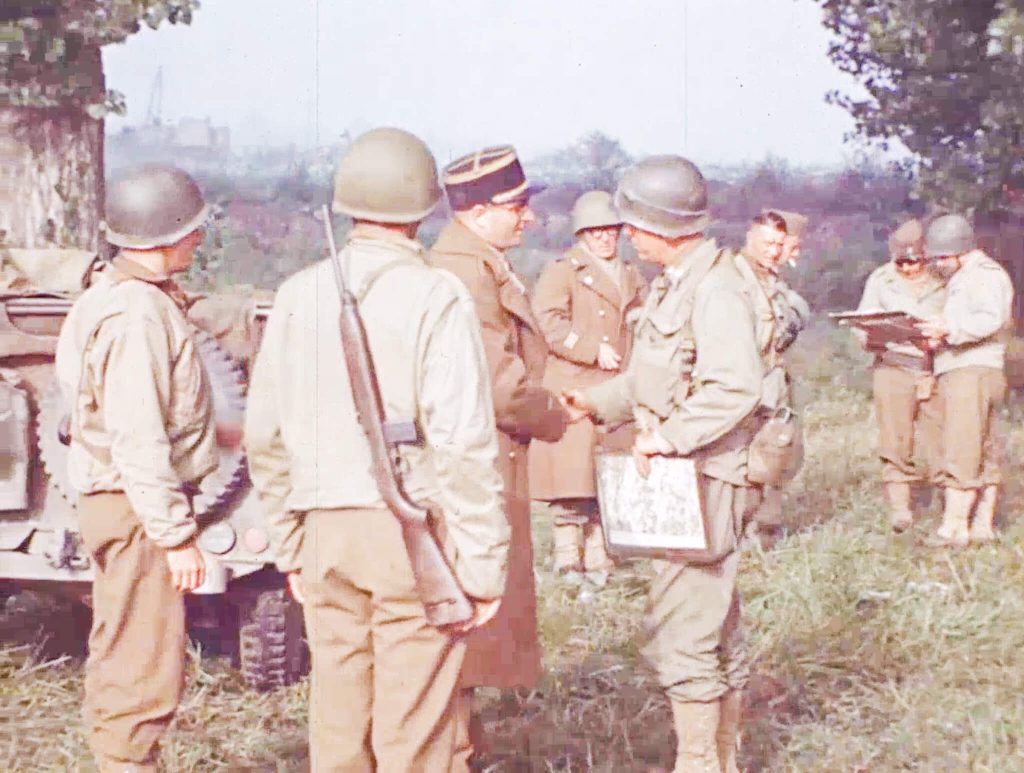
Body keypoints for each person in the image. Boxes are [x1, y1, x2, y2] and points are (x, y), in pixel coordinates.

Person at [244, 127, 510, 770]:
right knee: (416, 731)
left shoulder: (296, 294)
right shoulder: (437, 293)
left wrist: (290, 545)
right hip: (407, 534)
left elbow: (265, 437)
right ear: (424, 208)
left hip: (323, 535)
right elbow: (463, 443)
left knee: (337, 724)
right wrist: (480, 566)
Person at [564, 155, 763, 772]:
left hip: (703, 481)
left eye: (631, 223)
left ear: (657, 226)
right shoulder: (679, 282)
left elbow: (735, 388)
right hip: (687, 478)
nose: (625, 235)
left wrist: (668, 438)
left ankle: (700, 763)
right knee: (710, 626)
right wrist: (593, 402)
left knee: (685, 632)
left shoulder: (716, 288)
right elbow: (652, 377)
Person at [55, 165, 217, 772]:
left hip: (121, 502)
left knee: (122, 651)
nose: (198, 241)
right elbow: (138, 437)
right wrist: (176, 534)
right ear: (165, 235)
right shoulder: (137, 317)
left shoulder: (112, 298)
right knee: (142, 668)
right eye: (192, 230)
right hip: (137, 506)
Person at [428, 144, 567, 762]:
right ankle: (452, 750)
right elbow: (499, 384)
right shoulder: (463, 271)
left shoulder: (479, 263)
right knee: (468, 617)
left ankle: (462, 743)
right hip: (477, 468)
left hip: (490, 461)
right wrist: (559, 415)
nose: (528, 218)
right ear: (479, 210)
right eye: (517, 206)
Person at [529, 190, 646, 587]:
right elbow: (548, 320)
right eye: (595, 232)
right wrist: (592, 350)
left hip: (616, 388)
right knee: (571, 481)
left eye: (610, 231)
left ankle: (600, 557)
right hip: (574, 385)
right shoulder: (564, 271)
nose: (604, 239)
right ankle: (567, 559)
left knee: (606, 477)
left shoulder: (630, 274)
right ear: (581, 234)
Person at [918, 214, 1014, 547]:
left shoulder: (983, 276)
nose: (938, 264)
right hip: (973, 368)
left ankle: (953, 527)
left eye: (941, 257)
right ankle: (982, 525)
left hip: (969, 370)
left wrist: (949, 330)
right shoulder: (969, 275)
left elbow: (991, 318)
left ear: (959, 251)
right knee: (983, 448)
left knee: (962, 444)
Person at [855, 219, 945, 532]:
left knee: (942, 437)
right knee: (895, 439)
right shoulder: (881, 279)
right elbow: (863, 322)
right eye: (901, 262)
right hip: (893, 365)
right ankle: (900, 508)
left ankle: (947, 501)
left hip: (937, 366)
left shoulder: (944, 277)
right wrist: (870, 335)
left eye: (915, 261)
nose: (907, 268)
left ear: (927, 256)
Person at [734, 211, 808, 547]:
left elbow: (790, 316)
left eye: (779, 244)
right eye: (767, 243)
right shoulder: (734, 276)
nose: (773, 250)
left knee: (773, 454)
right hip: (742, 380)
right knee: (741, 460)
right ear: (749, 237)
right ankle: (738, 530)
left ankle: (763, 529)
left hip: (772, 381)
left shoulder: (772, 279)